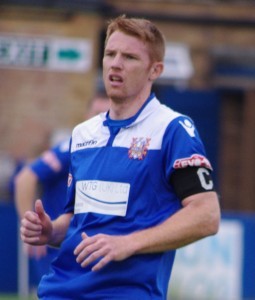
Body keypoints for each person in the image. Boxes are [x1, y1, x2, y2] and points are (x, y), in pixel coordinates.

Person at [20, 15, 221, 300]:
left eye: (129, 57)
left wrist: (128, 243)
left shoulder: (173, 129)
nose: (115, 63)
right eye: (110, 54)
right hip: (59, 290)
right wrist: (51, 231)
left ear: (155, 70)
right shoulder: (83, 133)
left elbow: (207, 215)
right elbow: (80, 219)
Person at [15, 94, 110, 283]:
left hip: (85, 243)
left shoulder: (109, 151)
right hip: (56, 242)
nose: (99, 119)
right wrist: (30, 223)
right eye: (96, 113)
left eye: (104, 114)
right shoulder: (73, 146)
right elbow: (25, 178)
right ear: (86, 115)